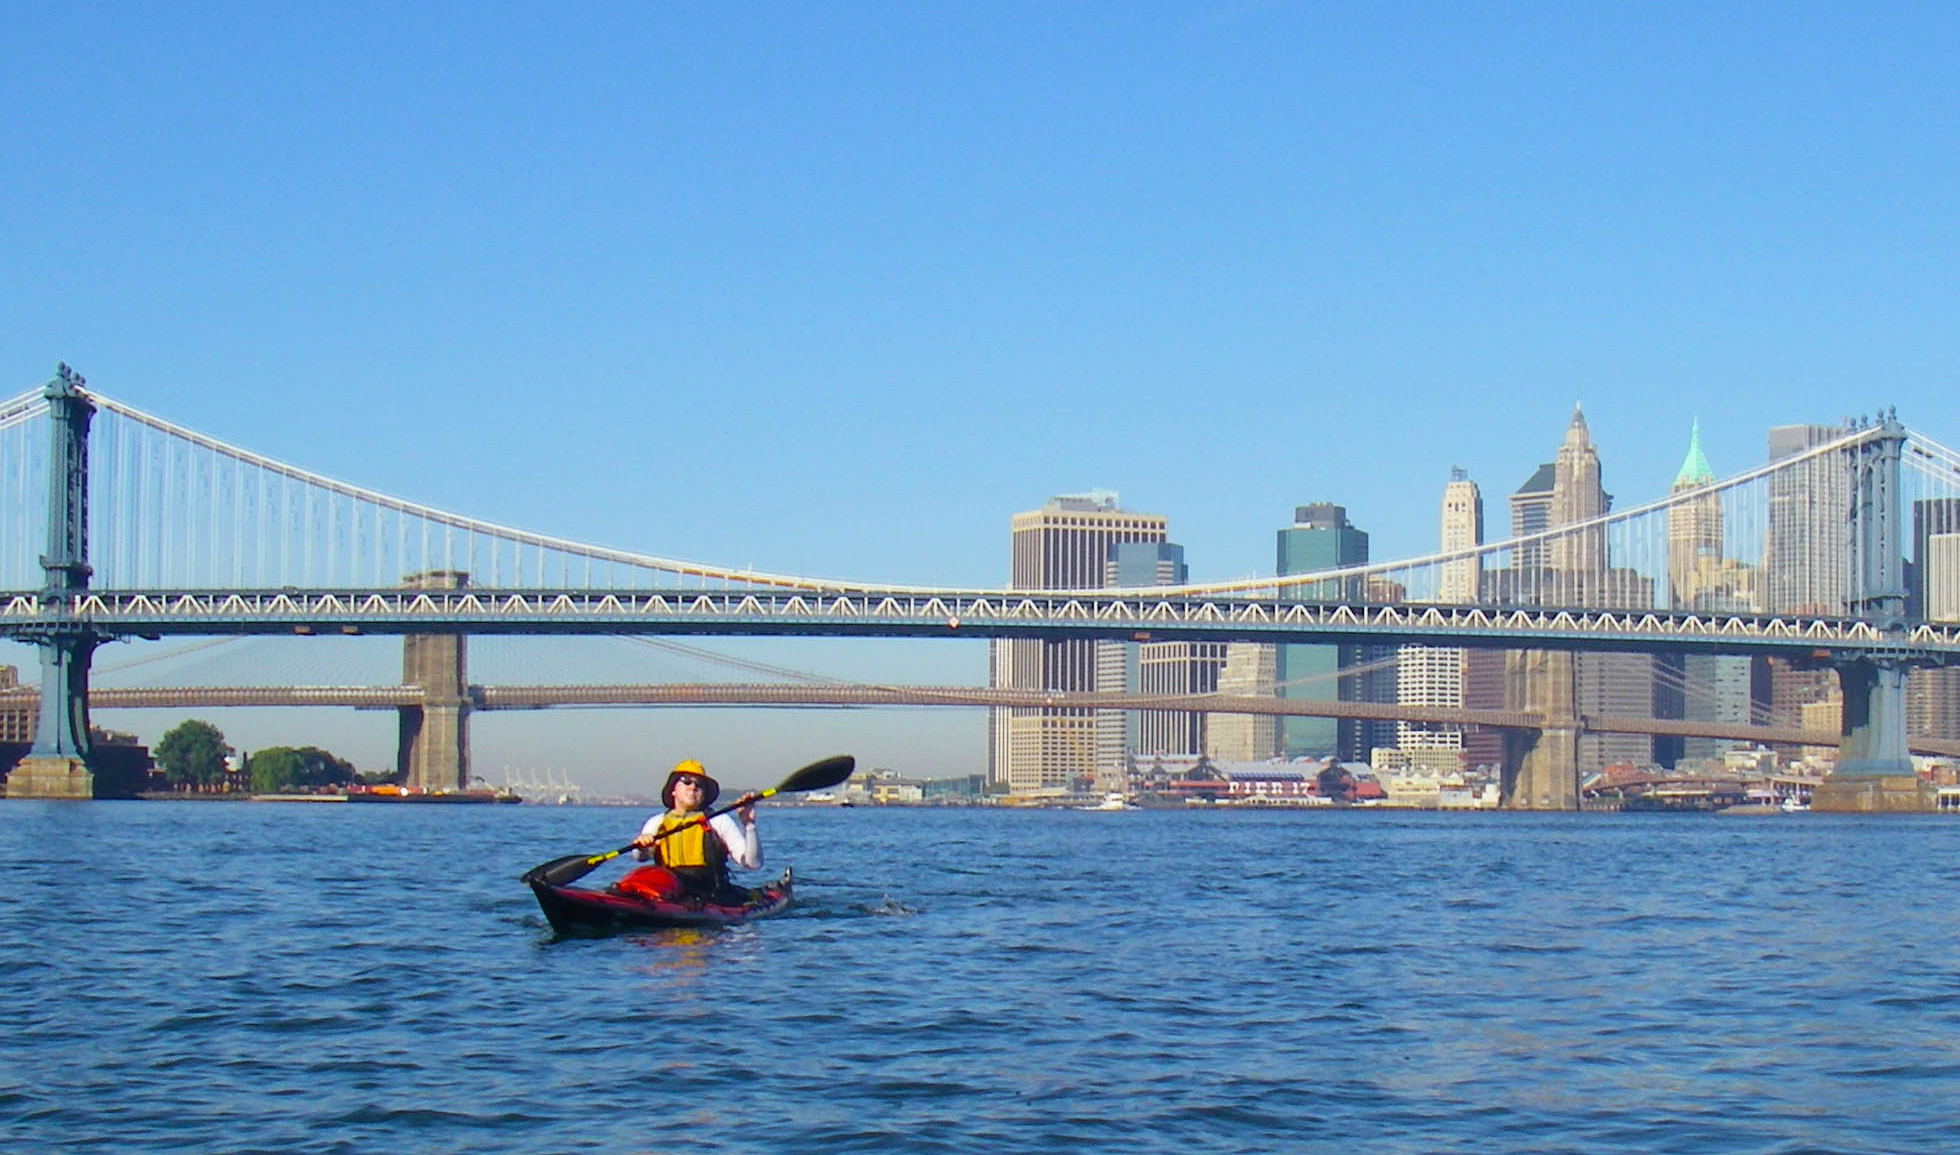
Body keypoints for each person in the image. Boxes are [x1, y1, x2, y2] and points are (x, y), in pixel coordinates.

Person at [628, 759, 763, 906]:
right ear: (673, 789)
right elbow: (639, 857)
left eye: (699, 785)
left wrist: (749, 825)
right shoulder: (656, 823)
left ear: (704, 795)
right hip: (670, 893)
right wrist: (642, 847)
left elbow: (752, 864)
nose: (693, 787)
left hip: (710, 896)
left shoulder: (718, 821)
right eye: (686, 781)